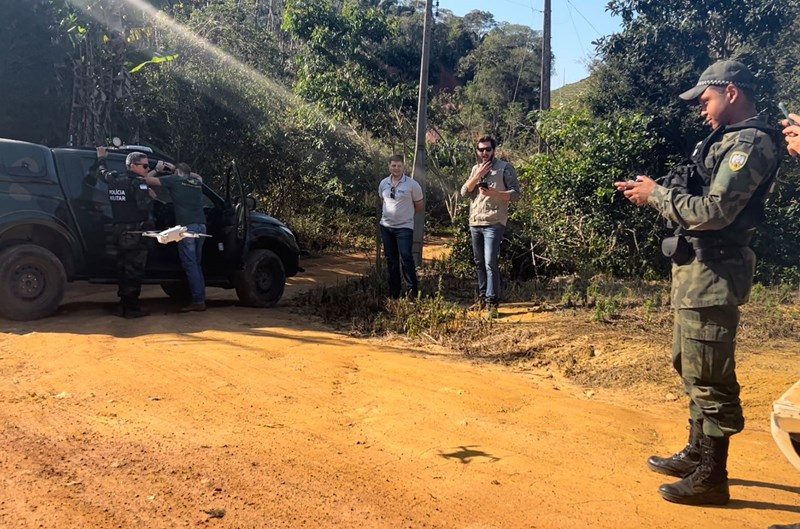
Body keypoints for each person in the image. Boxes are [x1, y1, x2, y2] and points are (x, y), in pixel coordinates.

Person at [614, 60, 782, 505]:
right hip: (696, 272)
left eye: (705, 100)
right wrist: (654, 191)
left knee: (710, 374)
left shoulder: (749, 141)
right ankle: (695, 452)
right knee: (689, 363)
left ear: (730, 92)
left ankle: (712, 476)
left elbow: (714, 212)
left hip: (715, 272)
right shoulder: (724, 140)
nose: (701, 109)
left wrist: (658, 196)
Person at [86, 147, 155, 318]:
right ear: (132, 165)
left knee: (123, 269)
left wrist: (101, 158)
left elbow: (102, 172)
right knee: (134, 271)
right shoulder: (138, 183)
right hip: (135, 232)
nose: (147, 169)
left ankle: (123, 306)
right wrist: (151, 195)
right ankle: (131, 308)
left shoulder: (115, 178)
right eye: (145, 166)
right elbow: (144, 206)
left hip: (119, 231)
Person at [460, 136, 521, 317]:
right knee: (479, 263)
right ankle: (482, 297)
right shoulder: (475, 169)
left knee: (489, 261)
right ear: (477, 151)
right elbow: (464, 192)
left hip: (494, 222)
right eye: (481, 150)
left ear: (494, 150)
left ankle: (492, 303)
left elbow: (516, 194)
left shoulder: (505, 168)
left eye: (487, 149)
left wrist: (495, 193)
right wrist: (477, 176)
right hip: (475, 221)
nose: (484, 153)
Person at [144, 162, 207, 312]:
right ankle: (200, 297)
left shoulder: (174, 180)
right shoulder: (196, 182)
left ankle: (198, 301)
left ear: (177, 172)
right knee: (196, 265)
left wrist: (157, 170)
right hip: (201, 226)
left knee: (190, 265)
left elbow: (145, 179)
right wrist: (177, 170)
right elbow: (198, 175)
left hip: (187, 228)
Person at [378, 155, 424, 299]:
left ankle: (412, 290)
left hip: (404, 227)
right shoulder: (384, 183)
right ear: (389, 167)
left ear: (404, 167)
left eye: (398, 165)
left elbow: (419, 205)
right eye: (393, 165)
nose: (396, 168)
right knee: (391, 259)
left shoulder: (412, 185)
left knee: (406, 256)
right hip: (386, 227)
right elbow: (382, 200)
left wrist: (406, 216)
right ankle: (394, 291)